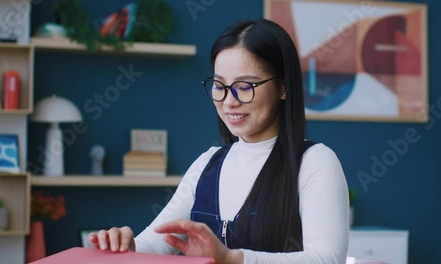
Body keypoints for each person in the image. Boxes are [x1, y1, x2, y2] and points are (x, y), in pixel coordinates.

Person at [89, 18, 349, 264]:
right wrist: (127, 246)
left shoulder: (315, 161)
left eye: (245, 86)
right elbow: (160, 242)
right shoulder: (207, 164)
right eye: (219, 85)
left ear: (283, 87)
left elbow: (326, 259)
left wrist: (233, 259)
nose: (228, 101)